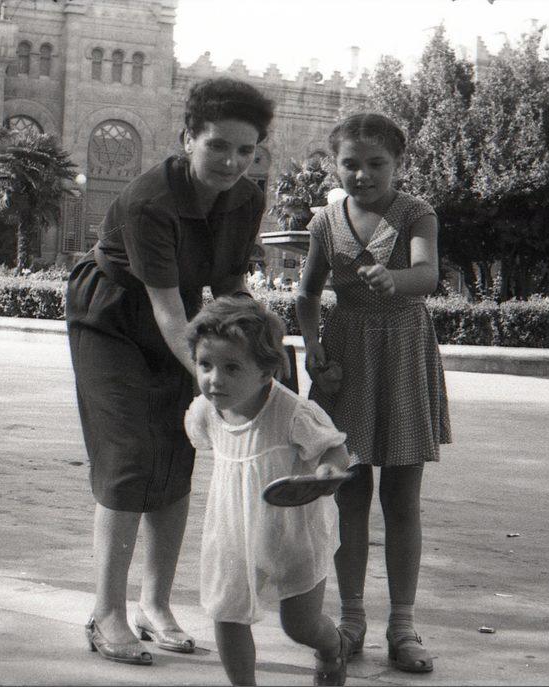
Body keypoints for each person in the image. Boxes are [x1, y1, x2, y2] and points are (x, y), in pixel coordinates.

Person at [65, 77, 275, 667]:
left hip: (183, 317)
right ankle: (106, 611)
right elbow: (164, 307)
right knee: (130, 456)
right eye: (217, 146)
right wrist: (213, 381)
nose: (232, 161)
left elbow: (228, 283)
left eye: (246, 149)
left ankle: (154, 605)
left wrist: (257, 354)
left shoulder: (246, 199)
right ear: (188, 138)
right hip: (111, 316)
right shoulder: (150, 200)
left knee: (176, 453)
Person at [295, 112, 451, 674]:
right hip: (348, 358)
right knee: (349, 491)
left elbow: (427, 274)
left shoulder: (415, 212)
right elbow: (308, 293)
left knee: (402, 496)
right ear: (333, 166)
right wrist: (313, 345)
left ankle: (403, 626)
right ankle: (352, 617)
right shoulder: (325, 221)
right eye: (350, 164)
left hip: (403, 353)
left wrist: (395, 280)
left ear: (398, 164)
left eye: (376, 163)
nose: (362, 174)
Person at [184, 296, 352, 686]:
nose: (215, 379)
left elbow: (335, 448)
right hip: (233, 530)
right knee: (226, 613)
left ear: (265, 372)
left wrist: (328, 470)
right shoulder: (206, 411)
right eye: (205, 365)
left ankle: (333, 645)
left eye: (231, 368)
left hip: (295, 532)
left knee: (300, 625)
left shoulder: (292, 412)